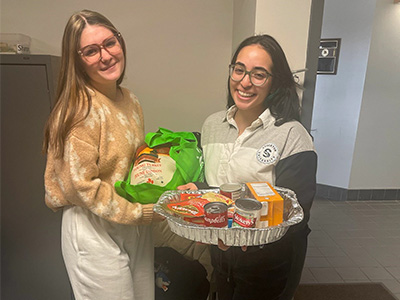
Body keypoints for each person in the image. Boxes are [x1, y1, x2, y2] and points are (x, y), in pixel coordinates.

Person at [179, 34, 317, 300]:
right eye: (239, 70)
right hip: (222, 253)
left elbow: (297, 209)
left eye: (259, 74)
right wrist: (198, 190)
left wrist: (249, 234)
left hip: (271, 262)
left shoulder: (292, 134)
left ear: (275, 82)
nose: (244, 82)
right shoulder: (212, 125)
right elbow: (222, 186)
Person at [42, 10, 163, 300]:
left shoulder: (130, 100)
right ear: (77, 60)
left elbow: (130, 165)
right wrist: (141, 212)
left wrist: (166, 187)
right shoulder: (78, 109)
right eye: (91, 51)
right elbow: (80, 187)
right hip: (92, 227)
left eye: (109, 43)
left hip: (131, 224)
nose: (105, 56)